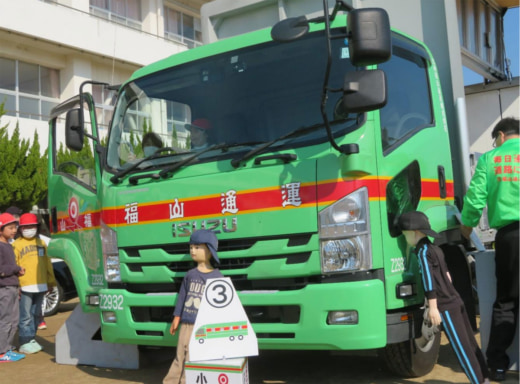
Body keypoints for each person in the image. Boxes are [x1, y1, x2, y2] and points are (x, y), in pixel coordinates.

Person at [398, 211, 490, 384]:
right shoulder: (435, 248)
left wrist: (433, 307)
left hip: (446, 306)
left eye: (405, 234)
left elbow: (428, 280)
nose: (405, 238)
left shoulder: (422, 252)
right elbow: (448, 276)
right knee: (470, 344)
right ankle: (484, 377)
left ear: (414, 232)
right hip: (456, 299)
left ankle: (478, 382)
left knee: (461, 350)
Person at [460, 117, 519, 382]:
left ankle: (496, 364)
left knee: (506, 301)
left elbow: (475, 198)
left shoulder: (491, 158)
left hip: (510, 237)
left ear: (501, 135)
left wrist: (466, 226)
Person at [163, 229, 223, 384]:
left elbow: (220, 305)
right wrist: (177, 317)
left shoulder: (217, 277)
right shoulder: (190, 274)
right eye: (191, 247)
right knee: (179, 354)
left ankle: (186, 381)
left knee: (193, 356)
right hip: (186, 323)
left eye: (197, 247)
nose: (192, 251)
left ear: (209, 250)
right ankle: (170, 381)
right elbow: (182, 296)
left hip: (202, 326)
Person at [13, 213, 56, 354]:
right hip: (25, 285)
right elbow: (15, 266)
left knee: (36, 313)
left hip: (41, 284)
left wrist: (51, 281)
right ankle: (24, 341)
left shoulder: (41, 243)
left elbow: (47, 263)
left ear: (37, 227)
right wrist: (17, 285)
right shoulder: (17, 245)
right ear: (21, 228)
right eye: (26, 227)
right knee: (25, 315)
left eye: (32, 226)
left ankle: (32, 338)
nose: (30, 229)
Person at [0, 213, 26, 362]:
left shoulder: (8, 245)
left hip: (12, 287)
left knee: (14, 320)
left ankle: (7, 348)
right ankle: (2, 352)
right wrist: (15, 269)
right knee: (5, 320)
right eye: (10, 228)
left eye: (15, 227)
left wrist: (17, 273)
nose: (14, 230)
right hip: (4, 289)